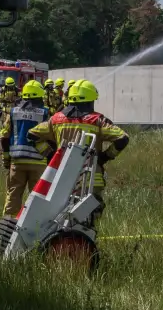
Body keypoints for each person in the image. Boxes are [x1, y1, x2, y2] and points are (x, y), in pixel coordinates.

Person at [29, 80, 130, 227]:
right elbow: (123, 138)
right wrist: (105, 157)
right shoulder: (97, 120)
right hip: (90, 180)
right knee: (88, 221)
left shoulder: (56, 119)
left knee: (59, 219)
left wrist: (50, 155)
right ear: (90, 100)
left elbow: (32, 135)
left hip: (62, 180)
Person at [0, 79, 52, 220]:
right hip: (38, 162)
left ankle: (8, 226)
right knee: (37, 198)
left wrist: (6, 158)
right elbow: (52, 139)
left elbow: (4, 137)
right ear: (40, 96)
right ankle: (34, 225)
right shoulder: (45, 113)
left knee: (13, 196)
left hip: (17, 162)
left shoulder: (13, 112)